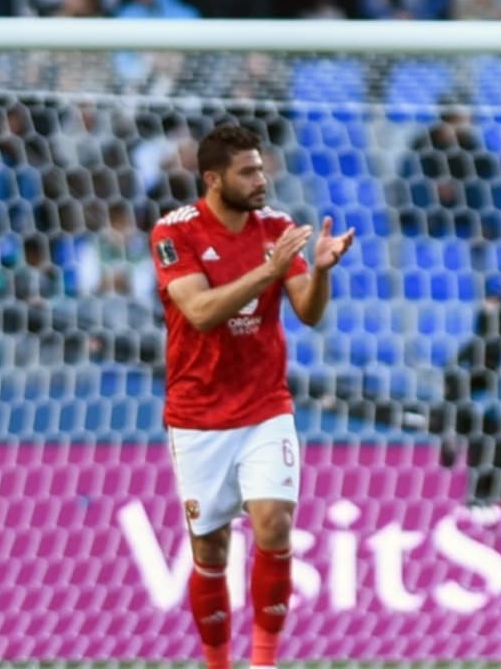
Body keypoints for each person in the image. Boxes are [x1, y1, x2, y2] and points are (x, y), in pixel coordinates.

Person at [149, 125, 354, 669]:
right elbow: (199, 314)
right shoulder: (176, 233)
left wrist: (324, 271)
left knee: (274, 524)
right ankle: (218, 662)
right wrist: (268, 269)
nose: (261, 179)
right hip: (198, 415)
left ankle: (263, 662)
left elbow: (307, 313)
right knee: (210, 551)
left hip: (265, 405)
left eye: (262, 168)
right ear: (214, 180)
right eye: (247, 171)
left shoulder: (279, 229)